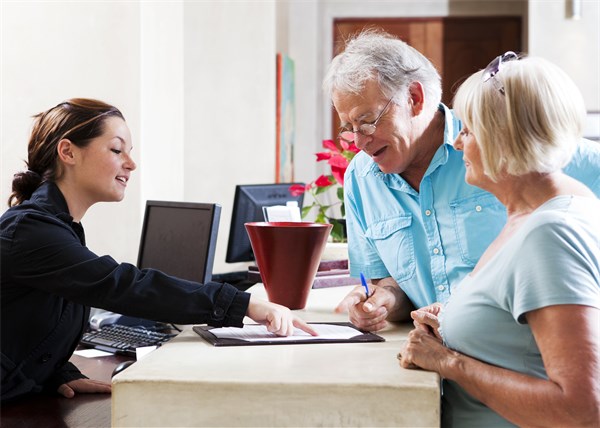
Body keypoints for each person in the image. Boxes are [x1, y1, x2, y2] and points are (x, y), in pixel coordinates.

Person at [0, 99, 316, 402]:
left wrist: (57, 373)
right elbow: (118, 285)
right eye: (116, 149)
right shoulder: (31, 231)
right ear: (68, 152)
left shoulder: (53, 229)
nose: (131, 163)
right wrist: (242, 305)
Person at [324, 29, 600, 330]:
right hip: (440, 357)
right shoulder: (361, 180)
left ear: (414, 98)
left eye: (366, 121)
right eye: (349, 127)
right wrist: (384, 300)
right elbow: (393, 284)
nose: (358, 142)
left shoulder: (497, 140)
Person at [398, 54, 599, 427]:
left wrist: (449, 363)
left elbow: (582, 411)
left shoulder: (551, 234)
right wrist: (460, 319)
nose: (457, 144)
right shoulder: (533, 215)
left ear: (503, 140)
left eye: (468, 131)